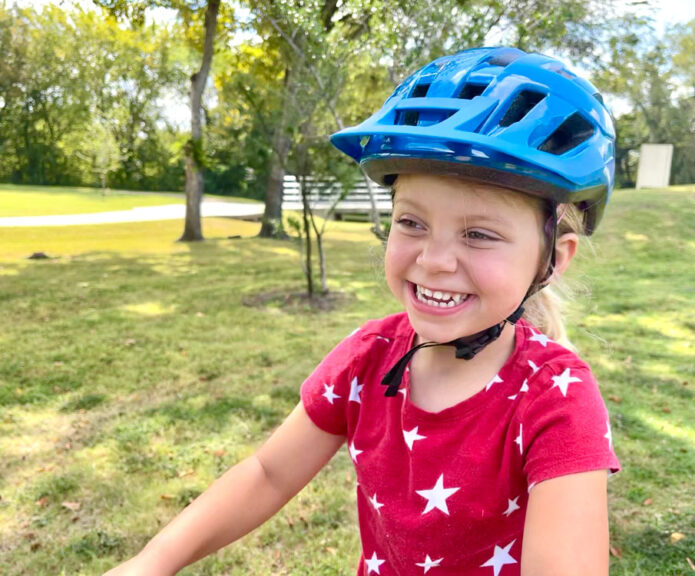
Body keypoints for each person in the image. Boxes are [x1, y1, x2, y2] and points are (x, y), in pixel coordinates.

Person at [105, 46, 620, 576]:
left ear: (551, 260)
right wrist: (153, 561)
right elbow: (267, 474)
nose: (434, 260)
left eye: (479, 234)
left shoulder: (556, 401)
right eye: (411, 223)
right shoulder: (366, 360)